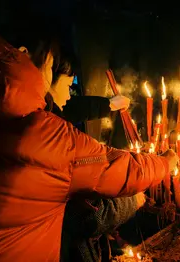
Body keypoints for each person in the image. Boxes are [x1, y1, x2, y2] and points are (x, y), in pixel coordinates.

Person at [0, 25, 178, 262]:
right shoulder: (43, 134)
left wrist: (108, 105)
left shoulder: (16, 116)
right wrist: (166, 163)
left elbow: (69, 108)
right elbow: (117, 169)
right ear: (23, 53)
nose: (50, 77)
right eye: (51, 66)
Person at [47, 50, 148, 261]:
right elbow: (86, 218)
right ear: (46, 77)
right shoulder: (52, 141)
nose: (69, 95)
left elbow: (69, 106)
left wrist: (108, 105)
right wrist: (133, 200)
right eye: (67, 86)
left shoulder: (39, 119)